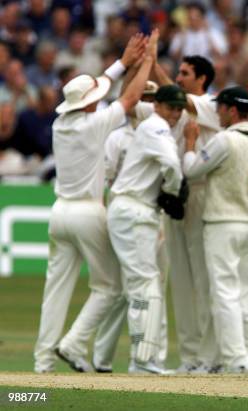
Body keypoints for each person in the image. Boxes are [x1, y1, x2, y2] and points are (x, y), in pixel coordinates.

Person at [33, 32, 152, 374]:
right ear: (88, 102)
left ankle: (43, 363)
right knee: (110, 286)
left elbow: (96, 87)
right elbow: (129, 99)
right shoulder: (96, 124)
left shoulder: (60, 124)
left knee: (55, 289)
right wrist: (143, 62)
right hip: (87, 211)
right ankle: (73, 343)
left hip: (59, 213)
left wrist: (122, 63)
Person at [183, 86, 248, 373]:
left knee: (225, 293)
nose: (217, 113)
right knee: (247, 293)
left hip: (223, 223)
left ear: (232, 110)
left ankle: (236, 360)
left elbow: (192, 170)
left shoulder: (224, 140)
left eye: (221, 108)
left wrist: (190, 143)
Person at [92, 81, 171, 373]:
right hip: (128, 218)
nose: (148, 105)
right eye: (144, 98)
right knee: (129, 289)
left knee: (153, 287)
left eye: (153, 99)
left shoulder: (162, 131)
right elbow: (106, 180)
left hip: (152, 216)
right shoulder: (117, 138)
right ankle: (103, 357)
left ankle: (153, 357)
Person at [106, 84, 186, 374]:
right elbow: (172, 165)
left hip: (133, 209)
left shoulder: (154, 126)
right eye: (171, 107)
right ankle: (142, 361)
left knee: (141, 285)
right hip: (134, 210)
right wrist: (175, 191)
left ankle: (140, 359)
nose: (176, 113)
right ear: (158, 106)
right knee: (146, 284)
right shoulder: (156, 126)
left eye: (179, 108)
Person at [153, 55, 221, 373]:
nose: (178, 78)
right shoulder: (177, 111)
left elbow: (175, 95)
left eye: (185, 73)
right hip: (174, 196)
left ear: (202, 79)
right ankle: (190, 357)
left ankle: (211, 356)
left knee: (203, 279)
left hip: (201, 194)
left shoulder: (212, 105)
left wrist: (153, 62)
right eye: (177, 72)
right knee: (180, 280)